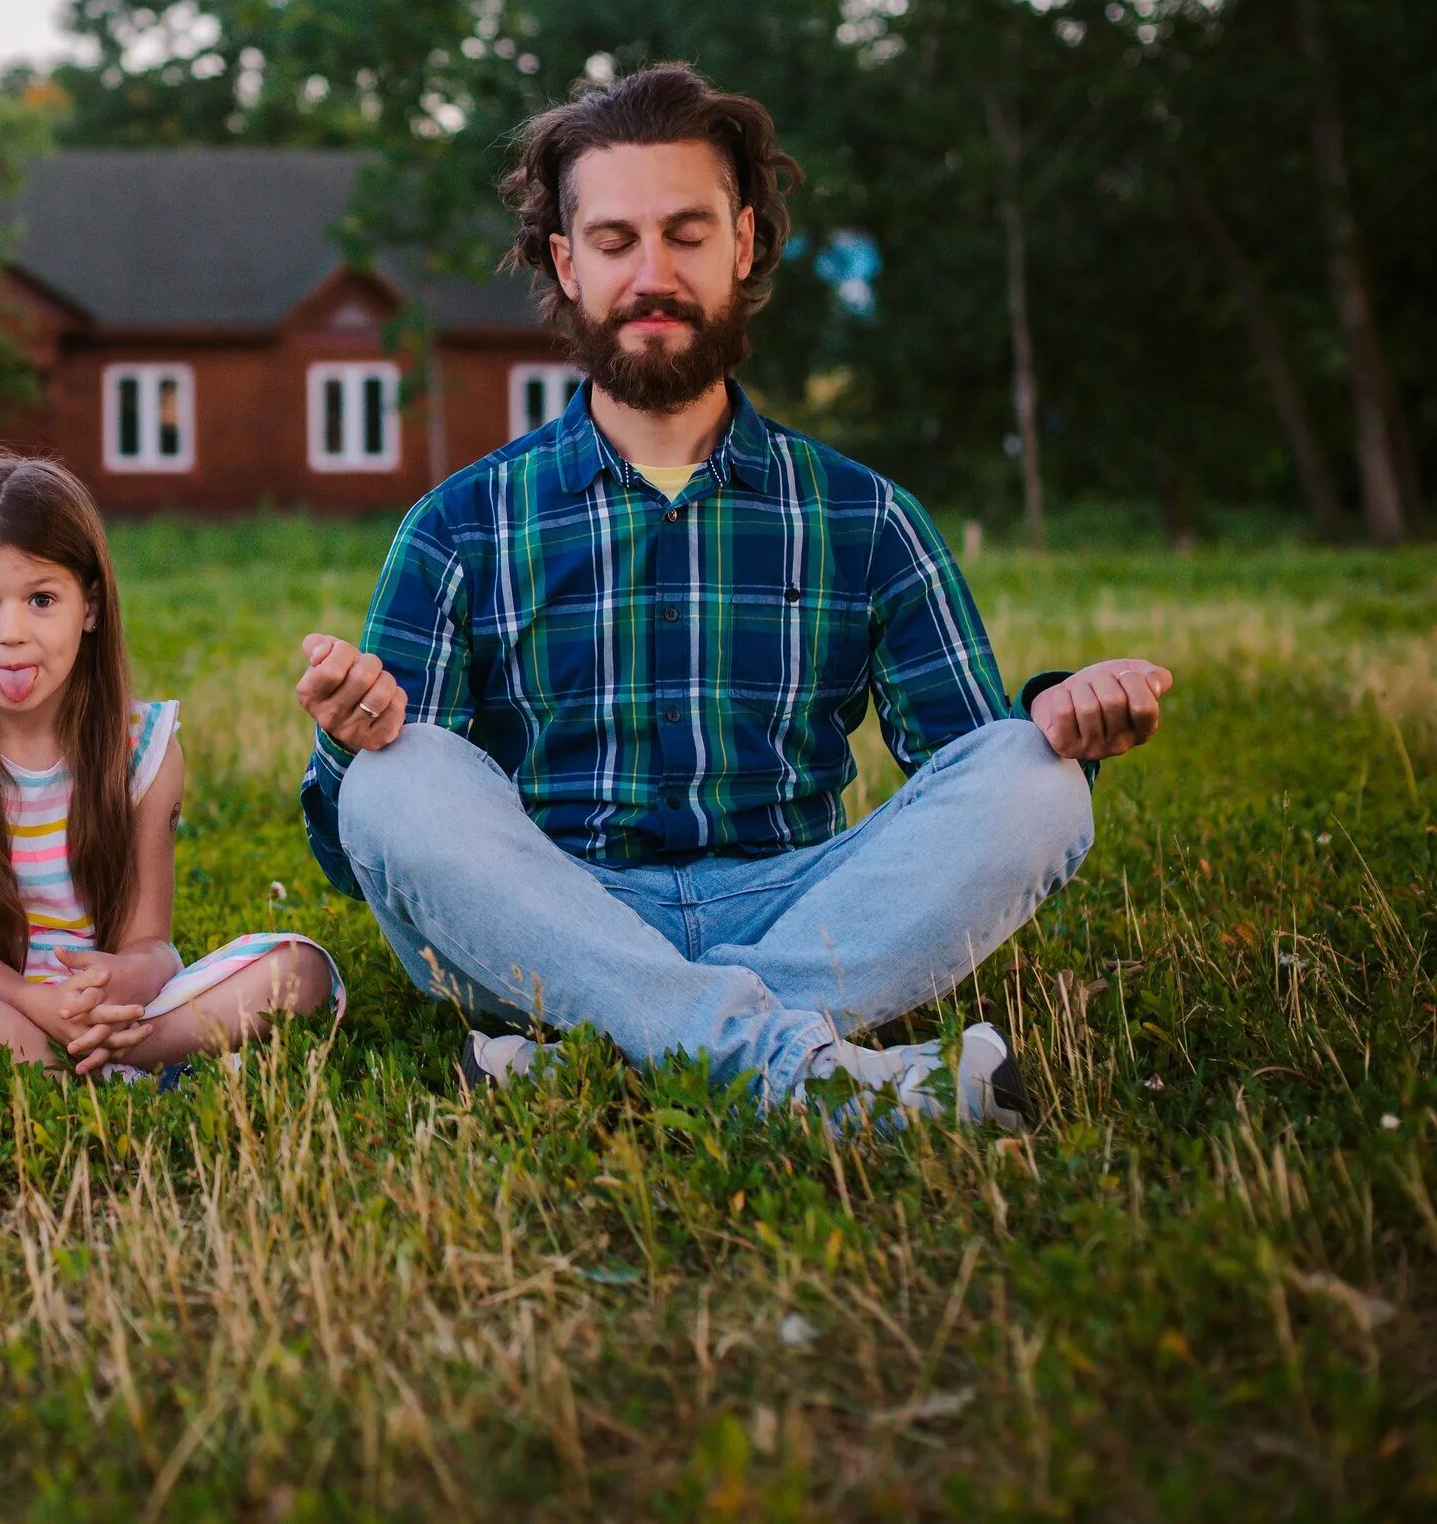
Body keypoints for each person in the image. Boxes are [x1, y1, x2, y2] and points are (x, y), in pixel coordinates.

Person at [295, 64, 1171, 1125]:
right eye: (615, 242)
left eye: (687, 233)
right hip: (557, 914)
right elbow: (369, 853)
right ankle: (834, 1082)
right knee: (396, 782)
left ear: (744, 244)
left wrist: (1060, 715)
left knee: (1037, 775)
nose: (651, 272)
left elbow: (967, 768)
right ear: (567, 264)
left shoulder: (865, 514)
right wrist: (359, 739)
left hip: (803, 906)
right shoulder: (459, 524)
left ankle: (611, 1053)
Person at [0, 450, 340, 1076]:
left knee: (301, 969)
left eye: (41, 599)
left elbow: (151, 945)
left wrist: (120, 979)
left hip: (108, 1002)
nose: (11, 632)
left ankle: (104, 1052)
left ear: (88, 607)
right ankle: (72, 1061)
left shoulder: (144, 748)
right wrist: (35, 1003)